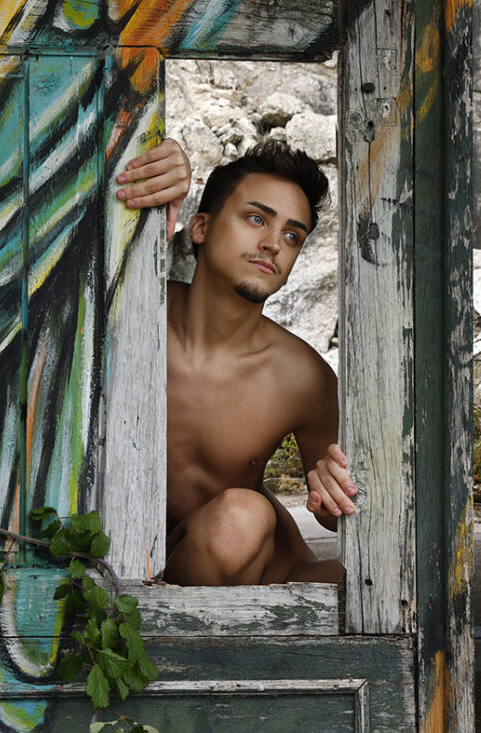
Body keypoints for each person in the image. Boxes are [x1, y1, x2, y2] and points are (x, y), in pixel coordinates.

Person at [117, 139, 355, 586]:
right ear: (200, 227)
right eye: (256, 218)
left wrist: (336, 500)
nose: (272, 244)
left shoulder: (303, 378)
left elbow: (341, 514)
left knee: (398, 590)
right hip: (134, 560)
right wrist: (147, 164)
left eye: (292, 235)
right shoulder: (127, 312)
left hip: (256, 563)